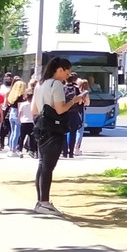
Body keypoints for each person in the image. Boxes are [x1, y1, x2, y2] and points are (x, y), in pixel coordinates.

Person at [33, 57, 87, 215]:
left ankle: (40, 201)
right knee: (48, 167)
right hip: (53, 129)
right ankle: (44, 202)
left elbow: (34, 110)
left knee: (42, 164)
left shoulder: (40, 84)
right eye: (67, 71)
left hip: (41, 127)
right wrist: (74, 101)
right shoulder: (56, 84)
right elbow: (60, 109)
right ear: (60, 69)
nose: (68, 75)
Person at [5, 80, 27, 157]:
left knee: (13, 132)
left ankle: (11, 149)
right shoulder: (20, 97)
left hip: (12, 113)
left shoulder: (12, 95)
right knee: (17, 133)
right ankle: (13, 149)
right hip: (17, 113)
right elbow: (19, 107)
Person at [18, 81, 37, 158]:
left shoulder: (22, 104)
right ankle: (31, 150)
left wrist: (19, 120)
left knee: (22, 137)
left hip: (24, 121)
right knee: (32, 137)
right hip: (31, 122)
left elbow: (20, 113)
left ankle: (20, 150)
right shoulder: (34, 105)